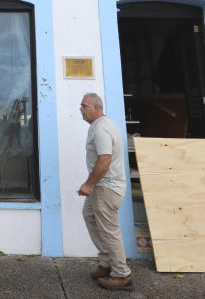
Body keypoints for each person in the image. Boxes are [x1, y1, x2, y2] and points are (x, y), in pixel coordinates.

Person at [77, 93, 132, 291]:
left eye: (84, 106)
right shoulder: (100, 126)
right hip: (101, 186)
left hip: (106, 187)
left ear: (96, 108)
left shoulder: (101, 128)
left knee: (109, 231)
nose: (80, 110)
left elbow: (105, 160)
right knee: (89, 215)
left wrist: (89, 184)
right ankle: (107, 262)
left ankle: (121, 274)